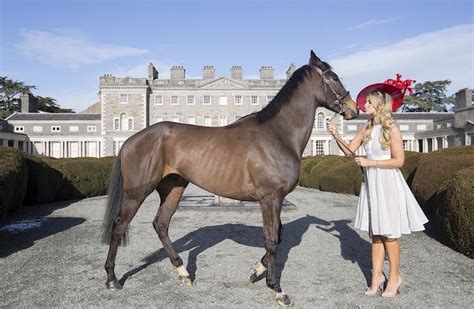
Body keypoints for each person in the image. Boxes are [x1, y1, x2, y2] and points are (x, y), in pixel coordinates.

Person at [326, 75, 428, 298]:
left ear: (379, 105)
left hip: (388, 183)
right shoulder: (368, 127)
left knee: (389, 234)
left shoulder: (392, 129)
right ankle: (376, 277)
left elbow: (399, 161)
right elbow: (349, 150)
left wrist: (370, 162)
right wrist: (336, 135)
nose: (364, 105)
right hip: (372, 184)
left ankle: (394, 277)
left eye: (369, 103)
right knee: (376, 234)